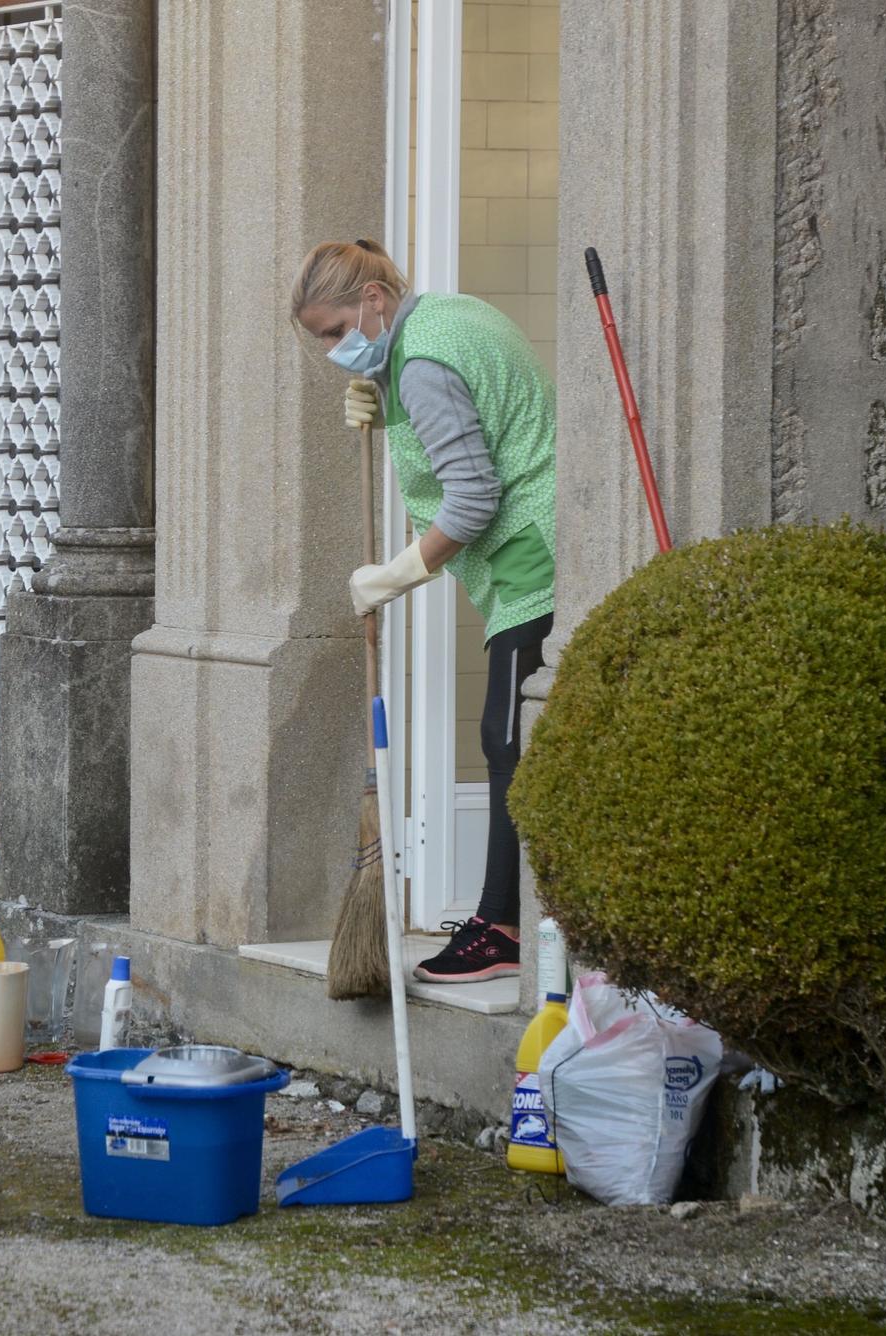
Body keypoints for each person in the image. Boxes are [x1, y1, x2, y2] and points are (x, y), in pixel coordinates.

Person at [292, 239, 556, 984]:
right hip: (526, 541)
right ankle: (503, 918)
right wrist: (386, 405)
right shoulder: (430, 329)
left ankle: (502, 927)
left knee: (508, 736)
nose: (334, 349)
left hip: (529, 549)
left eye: (339, 330)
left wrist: (395, 575)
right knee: (506, 732)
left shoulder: (421, 361)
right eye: (323, 338)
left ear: (375, 298)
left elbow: (473, 494)